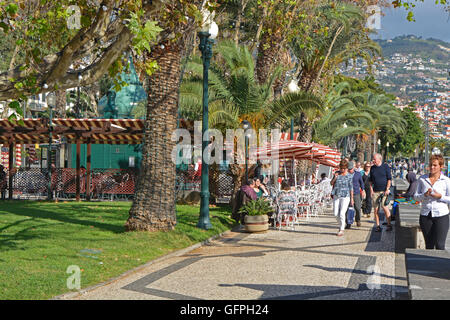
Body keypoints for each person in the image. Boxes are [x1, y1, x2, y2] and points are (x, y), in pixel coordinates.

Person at [414, 154, 450, 250]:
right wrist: (424, 195)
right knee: (429, 245)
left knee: (440, 245)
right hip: (426, 215)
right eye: (430, 165)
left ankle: (441, 264)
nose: (432, 167)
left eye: (434, 165)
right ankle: (429, 264)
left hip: (441, 215)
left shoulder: (446, 180)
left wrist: (440, 197)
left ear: (441, 166)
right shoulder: (422, 179)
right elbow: (416, 197)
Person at [369, 153, 393, 232]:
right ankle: (378, 226)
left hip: (384, 191)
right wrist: (371, 190)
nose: (373, 160)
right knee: (376, 210)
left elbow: (389, 179)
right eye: (373, 159)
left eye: (374, 159)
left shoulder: (385, 167)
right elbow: (370, 181)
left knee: (384, 207)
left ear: (379, 159)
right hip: (375, 191)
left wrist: (387, 189)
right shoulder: (372, 168)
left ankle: (389, 224)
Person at [331, 159, 354, 236]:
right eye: (341, 168)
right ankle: (342, 224)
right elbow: (331, 183)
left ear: (347, 168)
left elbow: (351, 188)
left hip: (345, 196)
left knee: (342, 213)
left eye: (344, 168)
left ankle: (341, 229)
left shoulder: (349, 176)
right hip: (336, 195)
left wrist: (352, 199)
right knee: (335, 213)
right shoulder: (337, 174)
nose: (342, 170)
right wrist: (335, 177)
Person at [346, 160, 366, 228]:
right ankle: (348, 223)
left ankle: (358, 220)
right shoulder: (346, 174)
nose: (350, 170)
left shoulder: (358, 174)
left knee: (357, 208)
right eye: (348, 169)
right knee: (348, 209)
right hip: (347, 194)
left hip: (356, 193)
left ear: (354, 168)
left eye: (351, 169)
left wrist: (363, 190)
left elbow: (361, 183)